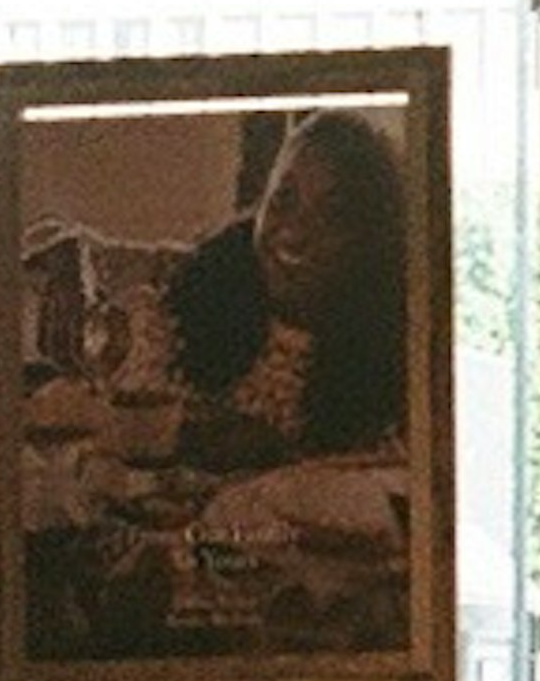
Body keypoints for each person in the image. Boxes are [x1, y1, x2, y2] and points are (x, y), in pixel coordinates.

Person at [169, 102, 410, 469]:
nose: (294, 233)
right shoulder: (208, 286)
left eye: (332, 215)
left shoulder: (396, 357)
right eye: (284, 199)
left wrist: (281, 459)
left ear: (369, 239)